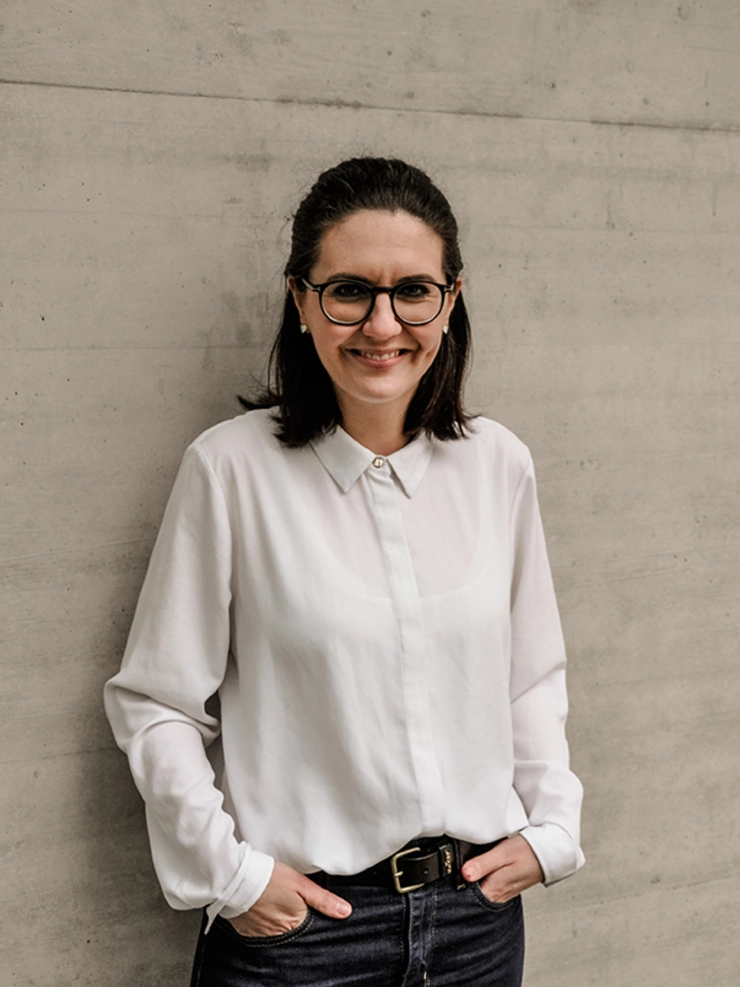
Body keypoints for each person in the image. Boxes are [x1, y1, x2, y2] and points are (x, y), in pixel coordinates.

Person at [104, 156, 585, 987]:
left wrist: (552, 833)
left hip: (477, 925)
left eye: (413, 290)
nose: (383, 323)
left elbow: (528, 680)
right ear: (301, 300)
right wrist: (233, 875)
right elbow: (156, 701)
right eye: (350, 289)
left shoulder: (499, 465)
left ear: (451, 300)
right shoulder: (230, 471)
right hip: (302, 941)